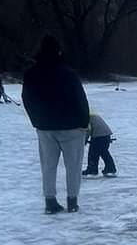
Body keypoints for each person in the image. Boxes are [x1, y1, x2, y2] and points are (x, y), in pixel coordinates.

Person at [22, 35, 90, 214]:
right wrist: (84, 122)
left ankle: (50, 201)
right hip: (71, 127)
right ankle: (72, 201)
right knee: (73, 166)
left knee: (48, 166)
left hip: (44, 127)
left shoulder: (31, 73)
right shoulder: (68, 73)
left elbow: (27, 99)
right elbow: (80, 100)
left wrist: (36, 120)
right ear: (58, 51)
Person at [83, 111, 117, 178]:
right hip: (106, 135)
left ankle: (92, 169)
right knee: (104, 153)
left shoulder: (85, 117)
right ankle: (110, 168)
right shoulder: (91, 114)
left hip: (98, 136)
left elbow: (88, 130)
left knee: (93, 153)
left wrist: (84, 141)